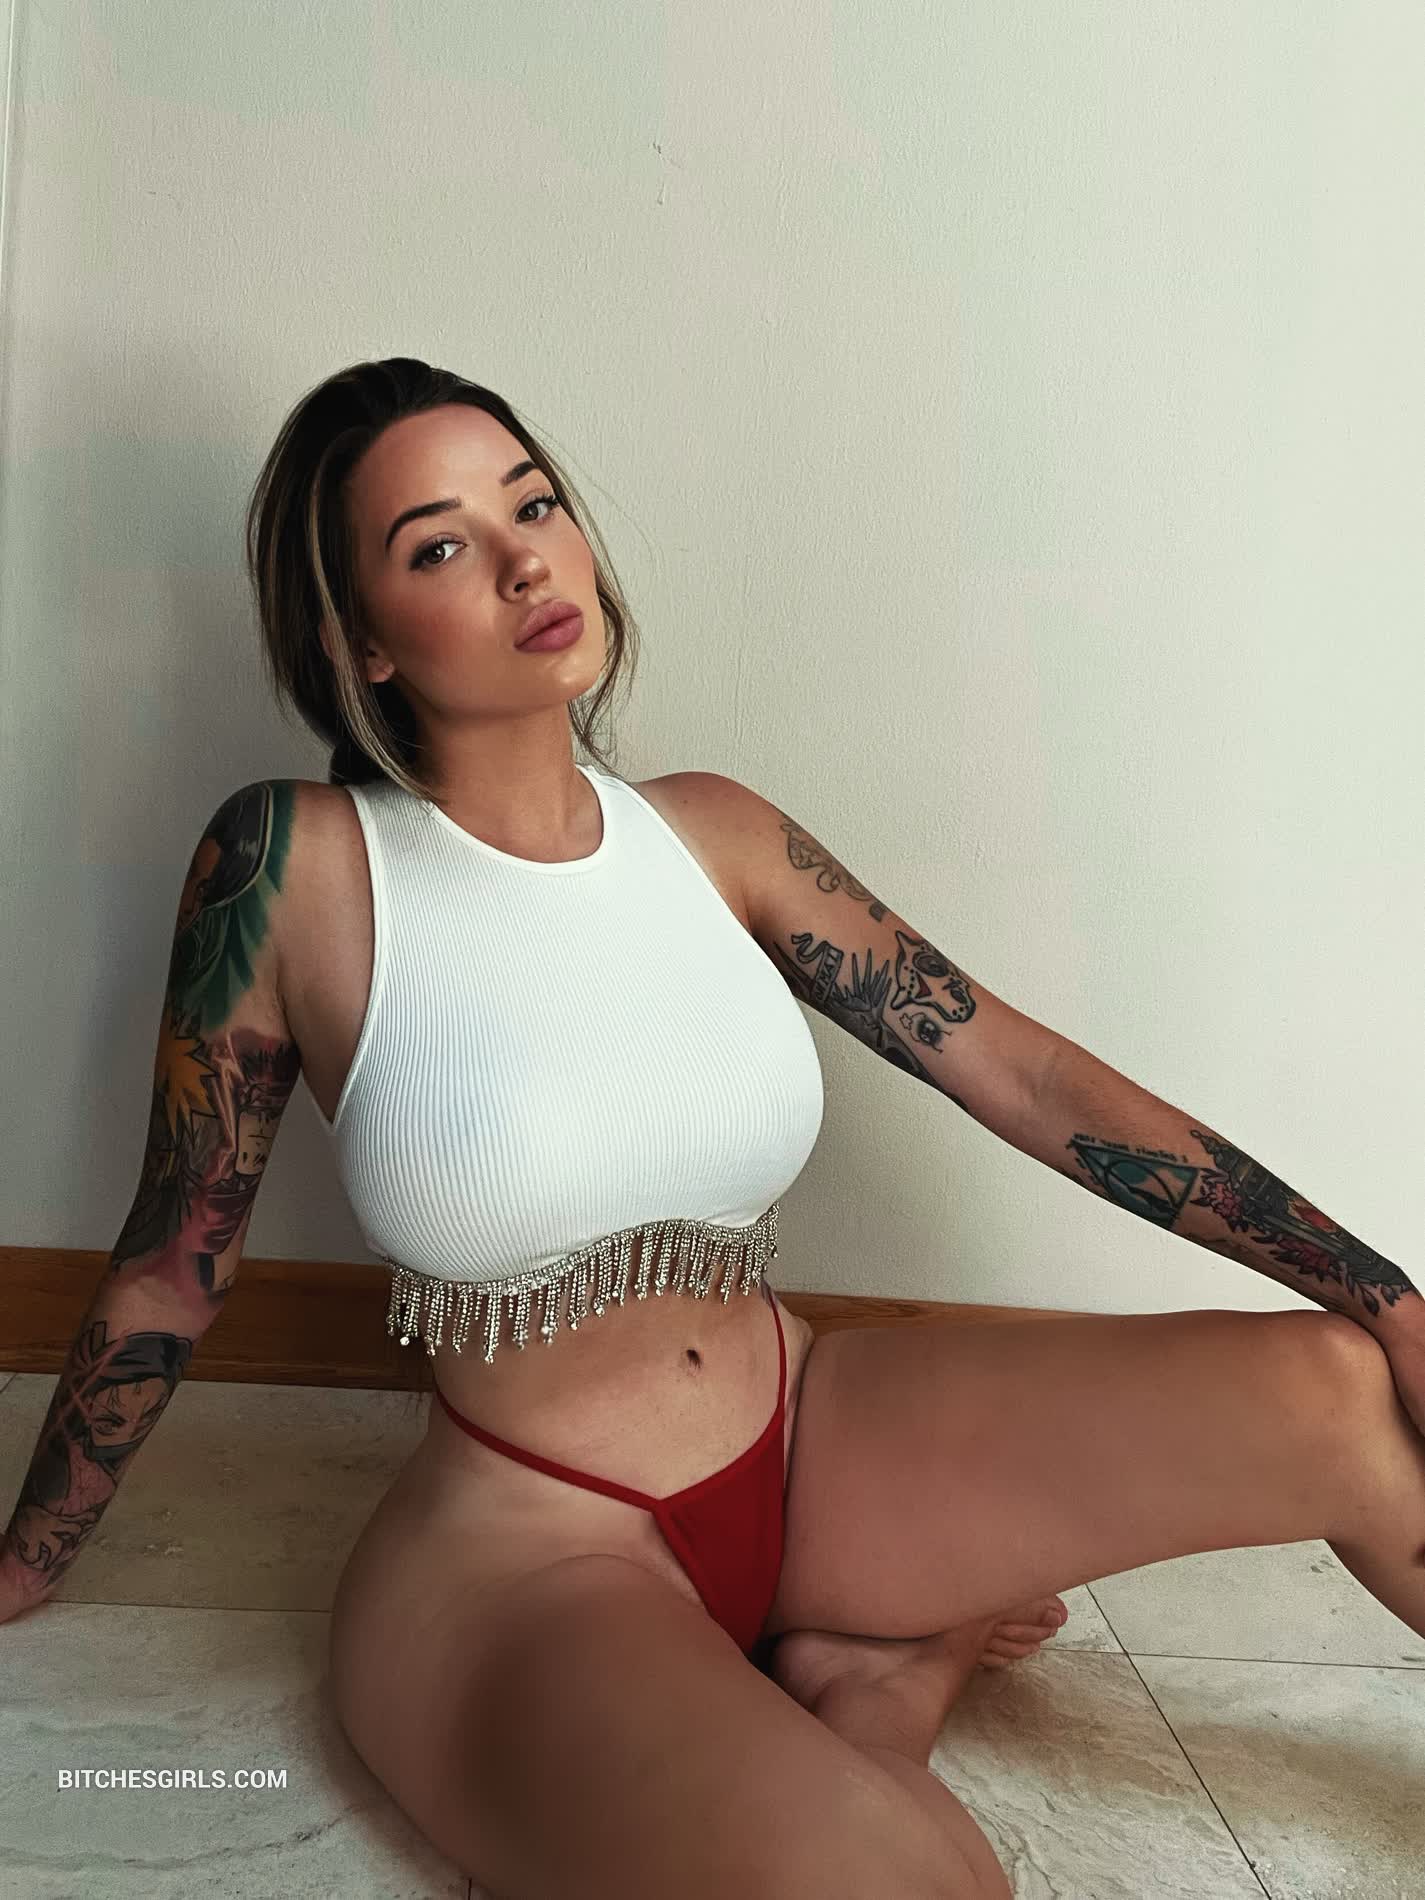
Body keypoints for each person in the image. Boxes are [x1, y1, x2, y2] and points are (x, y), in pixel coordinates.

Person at [5, 356, 1424, 1900]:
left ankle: (862, 1657)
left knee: (1338, 1390)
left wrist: (1387, 1295)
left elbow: (1023, 1076)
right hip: (533, 1555)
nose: (524, 561)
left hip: (812, 1439)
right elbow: (179, 1257)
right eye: (441, 544)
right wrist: (27, 1559)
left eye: (533, 505)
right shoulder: (292, 864)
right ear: (360, 643)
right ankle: (879, 1682)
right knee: (902, 1880)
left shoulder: (716, 833)